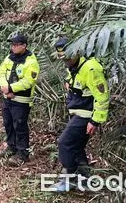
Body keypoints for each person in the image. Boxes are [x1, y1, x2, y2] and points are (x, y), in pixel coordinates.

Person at [50, 37, 110, 192]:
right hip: (77, 111)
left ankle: (68, 178)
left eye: (68, 57)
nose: (66, 61)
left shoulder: (90, 68)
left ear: (76, 51)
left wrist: (95, 121)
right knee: (76, 147)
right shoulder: (73, 66)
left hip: (86, 114)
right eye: (63, 58)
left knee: (65, 143)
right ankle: (84, 179)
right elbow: (76, 83)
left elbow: (102, 96)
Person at [0, 34, 40, 166]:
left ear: (24, 46)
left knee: (20, 126)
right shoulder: (10, 57)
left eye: (16, 45)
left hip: (21, 100)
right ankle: (11, 147)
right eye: (12, 45)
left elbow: (28, 81)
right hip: (7, 98)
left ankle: (23, 153)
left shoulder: (31, 62)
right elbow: (2, 71)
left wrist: (11, 88)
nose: (13, 47)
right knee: (8, 123)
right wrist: (5, 87)